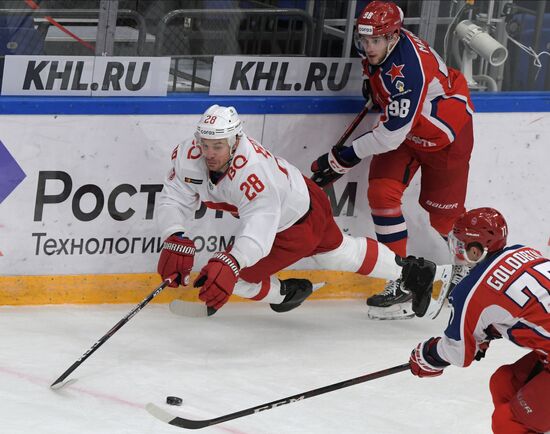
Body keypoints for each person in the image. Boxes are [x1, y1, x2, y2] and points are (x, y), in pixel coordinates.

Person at [156, 104, 435, 314]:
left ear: (235, 142)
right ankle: (413, 272)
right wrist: (174, 234)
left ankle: (287, 294)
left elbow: (258, 231)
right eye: (204, 145)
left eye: (217, 146)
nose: (209, 153)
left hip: (296, 224)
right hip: (303, 197)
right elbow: (175, 196)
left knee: (235, 277)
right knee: (338, 255)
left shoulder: (254, 173)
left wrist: (233, 260)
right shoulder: (188, 155)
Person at [310, 0, 473, 320]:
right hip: (404, 131)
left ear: (394, 37)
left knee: (443, 219)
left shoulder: (410, 70)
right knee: (381, 195)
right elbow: (387, 104)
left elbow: (389, 137)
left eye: (375, 41)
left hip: (444, 135)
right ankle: (401, 276)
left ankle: (467, 269)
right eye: (364, 40)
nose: (368, 47)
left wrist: (343, 157)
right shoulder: (378, 46)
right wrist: (373, 90)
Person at [409, 207, 550, 434]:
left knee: (508, 422)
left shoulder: (472, 290)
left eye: (462, 244)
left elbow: (457, 353)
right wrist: (491, 331)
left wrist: (428, 355)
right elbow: (531, 309)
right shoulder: (525, 252)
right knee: (505, 382)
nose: (458, 249)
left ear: (477, 250)